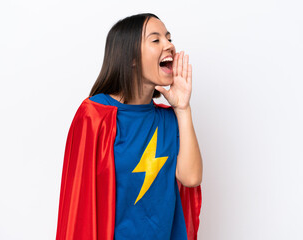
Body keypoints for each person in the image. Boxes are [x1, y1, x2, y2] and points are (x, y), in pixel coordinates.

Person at [56, 13, 202, 240]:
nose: (169, 45)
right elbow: (79, 205)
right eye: (156, 40)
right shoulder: (95, 115)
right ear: (131, 57)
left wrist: (183, 109)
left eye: (169, 38)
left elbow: (191, 178)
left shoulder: (170, 119)